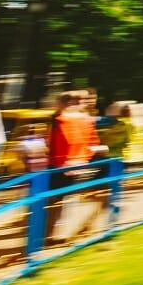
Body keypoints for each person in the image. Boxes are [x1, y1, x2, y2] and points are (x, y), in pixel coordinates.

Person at [45, 92, 99, 242]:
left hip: (59, 166)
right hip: (80, 165)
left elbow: (50, 144)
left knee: (53, 201)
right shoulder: (87, 120)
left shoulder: (58, 120)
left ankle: (48, 235)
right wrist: (84, 157)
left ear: (62, 103)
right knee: (69, 200)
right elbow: (93, 143)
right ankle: (64, 233)